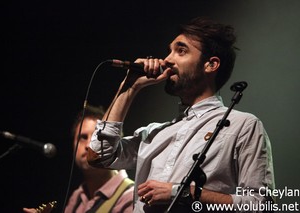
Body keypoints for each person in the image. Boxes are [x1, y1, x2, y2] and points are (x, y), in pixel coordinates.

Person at [87, 17, 275, 212]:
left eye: (181, 51)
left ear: (211, 64)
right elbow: (98, 156)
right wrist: (129, 88)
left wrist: (181, 192)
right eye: (169, 51)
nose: (167, 59)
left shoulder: (242, 125)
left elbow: (262, 204)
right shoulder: (154, 133)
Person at [23, 105, 134, 213]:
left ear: (116, 145)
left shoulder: (130, 196)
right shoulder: (77, 197)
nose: (89, 144)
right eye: (83, 137)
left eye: (97, 137)